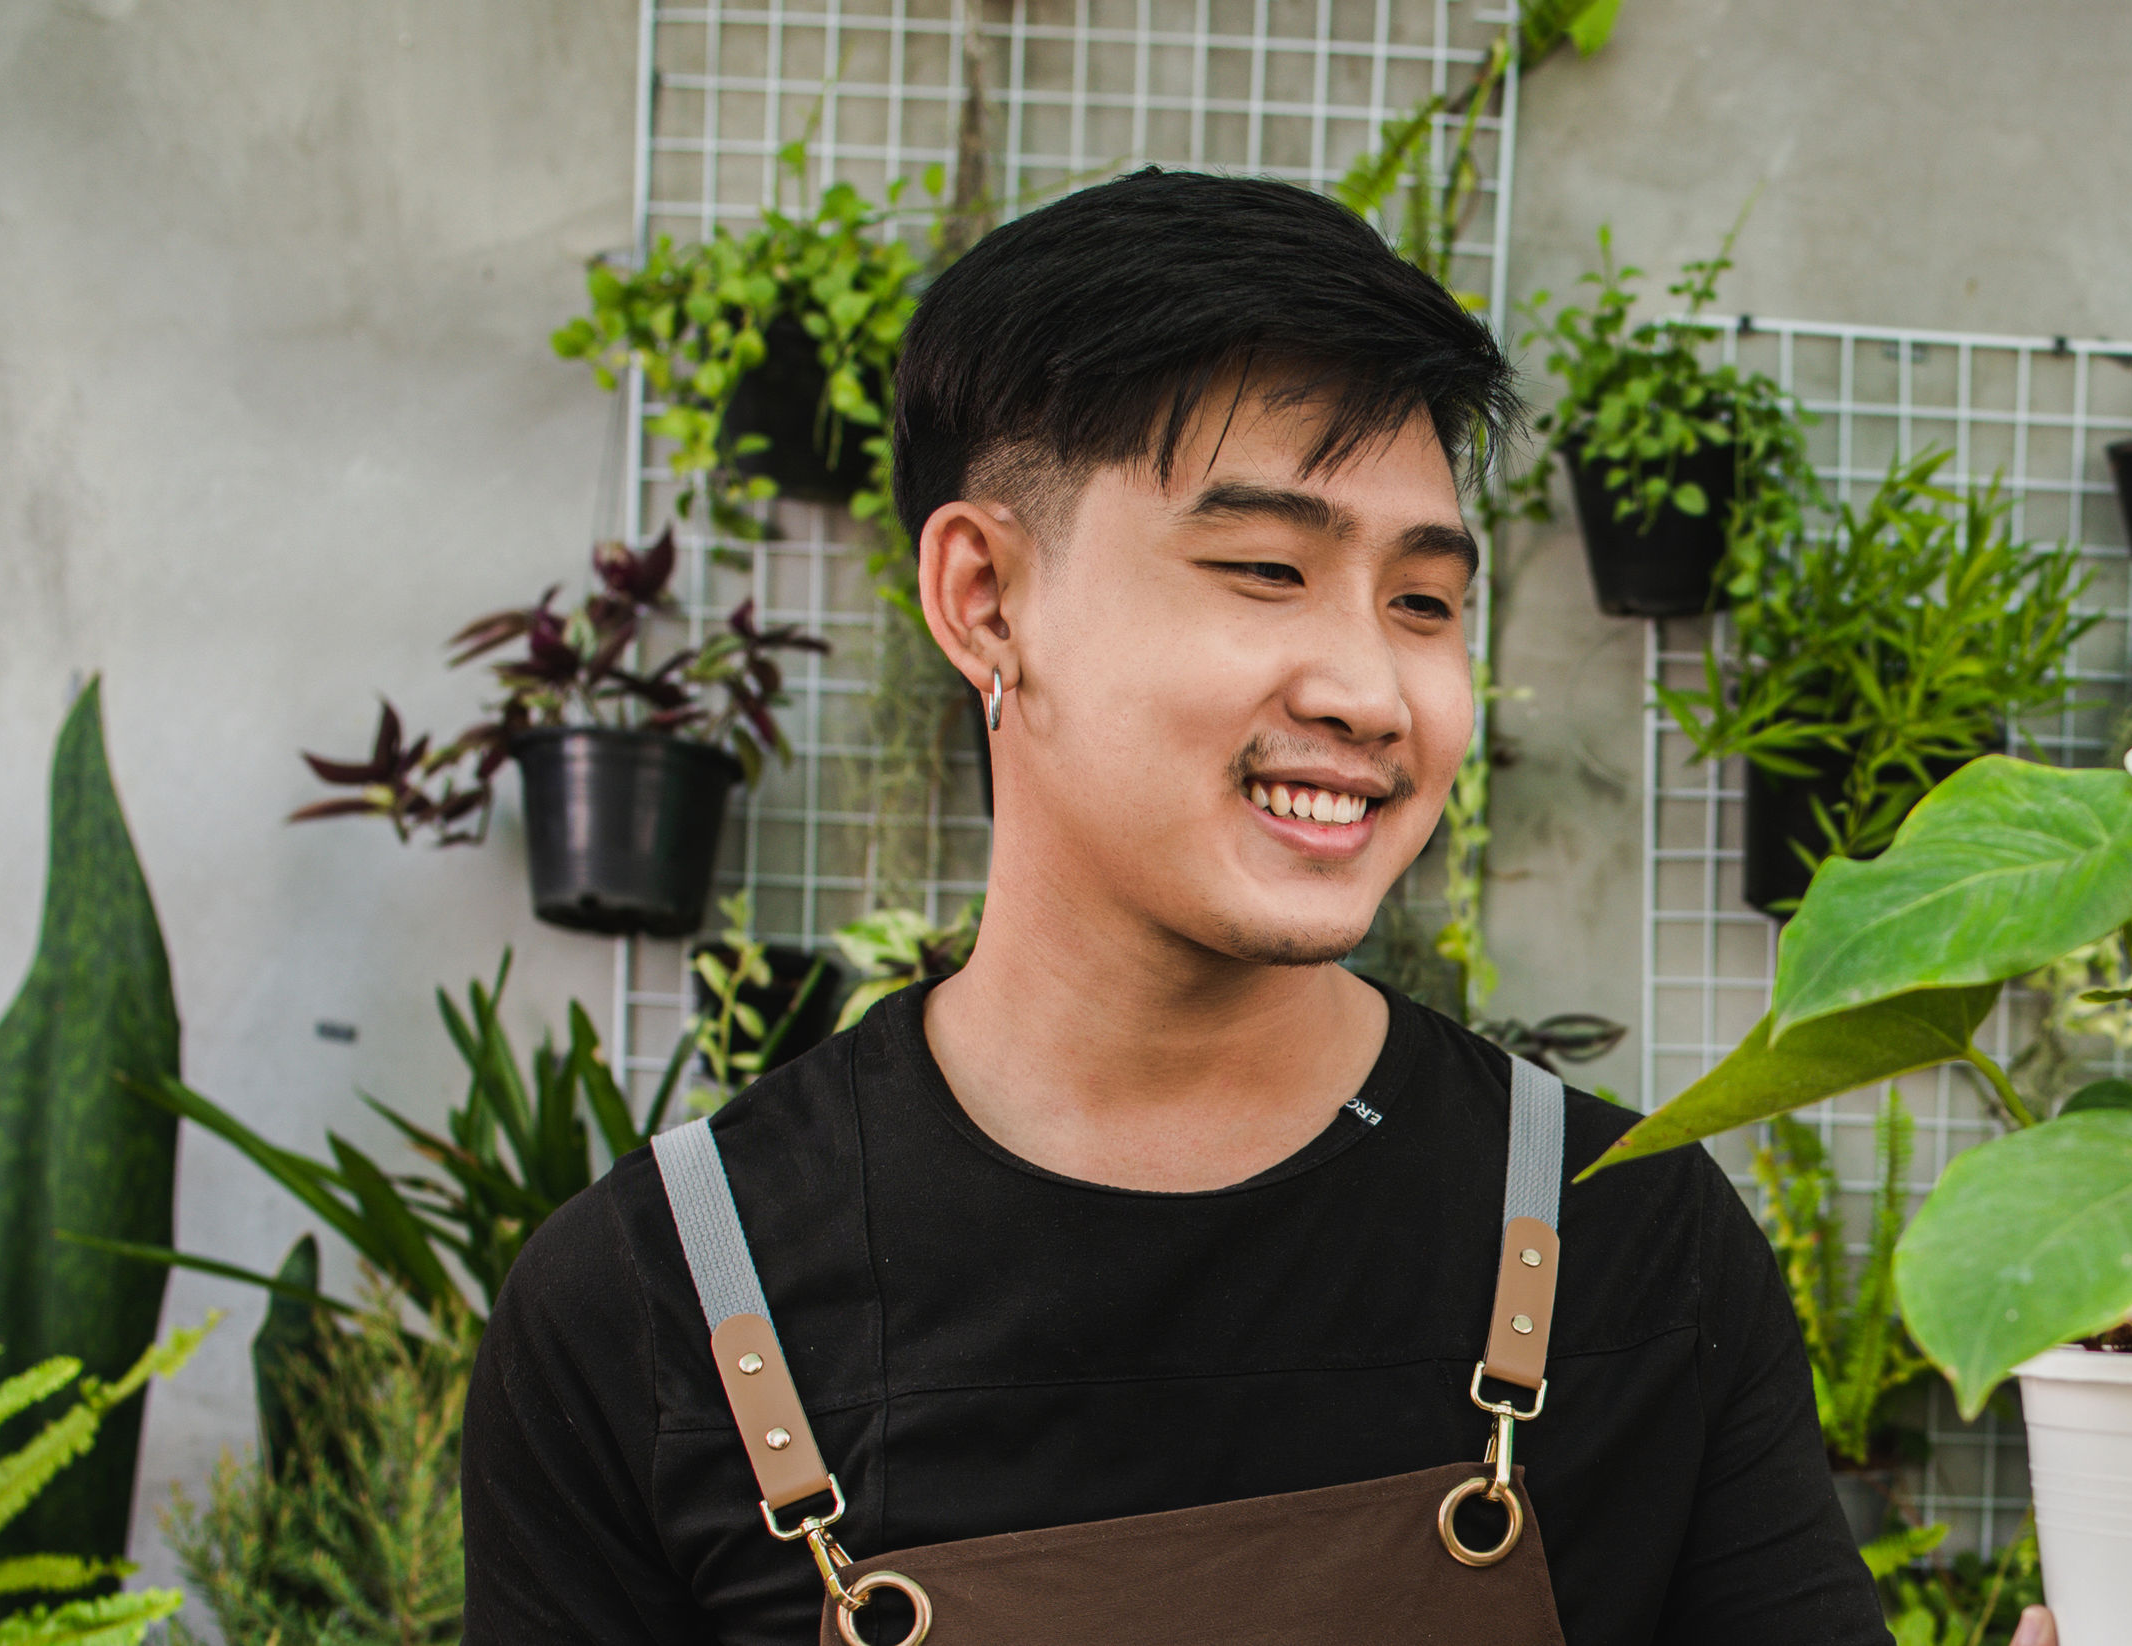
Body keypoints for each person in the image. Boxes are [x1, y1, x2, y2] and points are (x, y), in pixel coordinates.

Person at [464, 170, 1886, 1645]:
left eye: (1424, 602)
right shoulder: (657, 1308)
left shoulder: (1631, 1247)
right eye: (1266, 569)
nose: (1370, 690)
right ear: (986, 599)